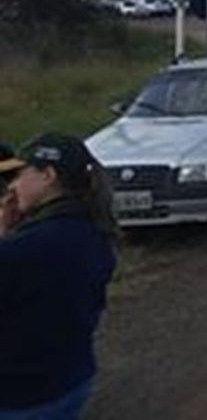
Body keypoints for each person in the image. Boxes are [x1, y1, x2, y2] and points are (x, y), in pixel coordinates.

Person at [0, 133, 117, 420]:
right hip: (69, 379)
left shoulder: (28, 247)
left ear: (48, 175)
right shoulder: (94, 231)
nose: (12, 185)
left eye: (19, 175)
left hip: (21, 395)